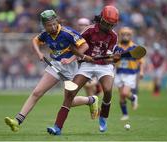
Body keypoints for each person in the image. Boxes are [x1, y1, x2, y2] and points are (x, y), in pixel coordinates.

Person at [4, 10, 99, 132]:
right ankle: (17, 121)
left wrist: (71, 59)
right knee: (37, 92)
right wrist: (39, 53)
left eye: (54, 23)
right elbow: (35, 40)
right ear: (44, 25)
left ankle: (91, 100)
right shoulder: (45, 34)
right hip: (55, 66)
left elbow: (84, 46)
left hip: (71, 68)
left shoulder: (67, 33)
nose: (53, 27)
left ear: (57, 21)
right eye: (49, 25)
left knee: (69, 101)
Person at [47, 5, 119, 135]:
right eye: (106, 23)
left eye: (111, 25)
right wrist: (84, 56)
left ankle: (103, 117)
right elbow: (73, 47)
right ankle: (57, 127)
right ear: (101, 19)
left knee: (108, 90)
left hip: (104, 66)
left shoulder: (113, 36)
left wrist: (113, 58)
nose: (108, 27)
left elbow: (109, 57)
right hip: (87, 64)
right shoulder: (89, 31)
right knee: (70, 93)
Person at [113, 27, 144, 121]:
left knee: (125, 93)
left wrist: (141, 71)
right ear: (120, 35)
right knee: (121, 96)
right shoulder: (117, 47)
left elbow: (141, 61)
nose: (125, 36)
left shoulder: (135, 47)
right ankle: (125, 114)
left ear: (131, 36)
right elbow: (113, 60)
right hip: (119, 73)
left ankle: (133, 98)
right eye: (123, 34)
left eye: (127, 34)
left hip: (130, 73)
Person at [77, 18, 102, 97]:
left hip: (92, 63)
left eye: (85, 25)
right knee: (88, 89)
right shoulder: (76, 36)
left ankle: (97, 87)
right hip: (80, 63)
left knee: (89, 86)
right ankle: (97, 91)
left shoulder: (93, 36)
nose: (83, 27)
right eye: (81, 25)